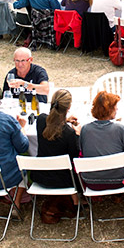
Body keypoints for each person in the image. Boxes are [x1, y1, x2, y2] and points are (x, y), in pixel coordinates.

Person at [79, 91, 124, 190]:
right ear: (110, 110)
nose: (117, 109)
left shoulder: (85, 129)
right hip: (119, 181)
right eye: (115, 107)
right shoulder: (119, 129)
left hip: (91, 181)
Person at [31, 90, 82, 218]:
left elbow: (52, 124)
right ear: (68, 108)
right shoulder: (69, 133)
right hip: (64, 180)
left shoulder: (41, 120)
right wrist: (77, 135)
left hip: (40, 176)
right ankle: (76, 204)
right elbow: (75, 157)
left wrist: (65, 120)